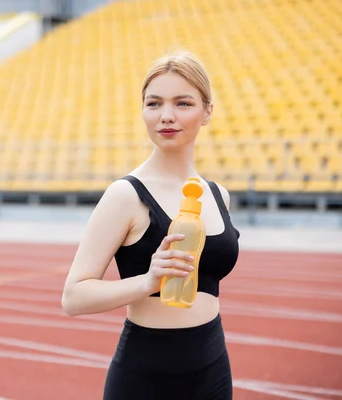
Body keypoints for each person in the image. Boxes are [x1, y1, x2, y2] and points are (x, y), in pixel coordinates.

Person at [61, 50, 240, 399]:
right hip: (145, 376)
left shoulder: (219, 196)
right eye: (154, 103)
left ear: (207, 112)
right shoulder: (125, 196)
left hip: (214, 368)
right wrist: (148, 281)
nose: (166, 116)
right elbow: (73, 297)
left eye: (183, 103)